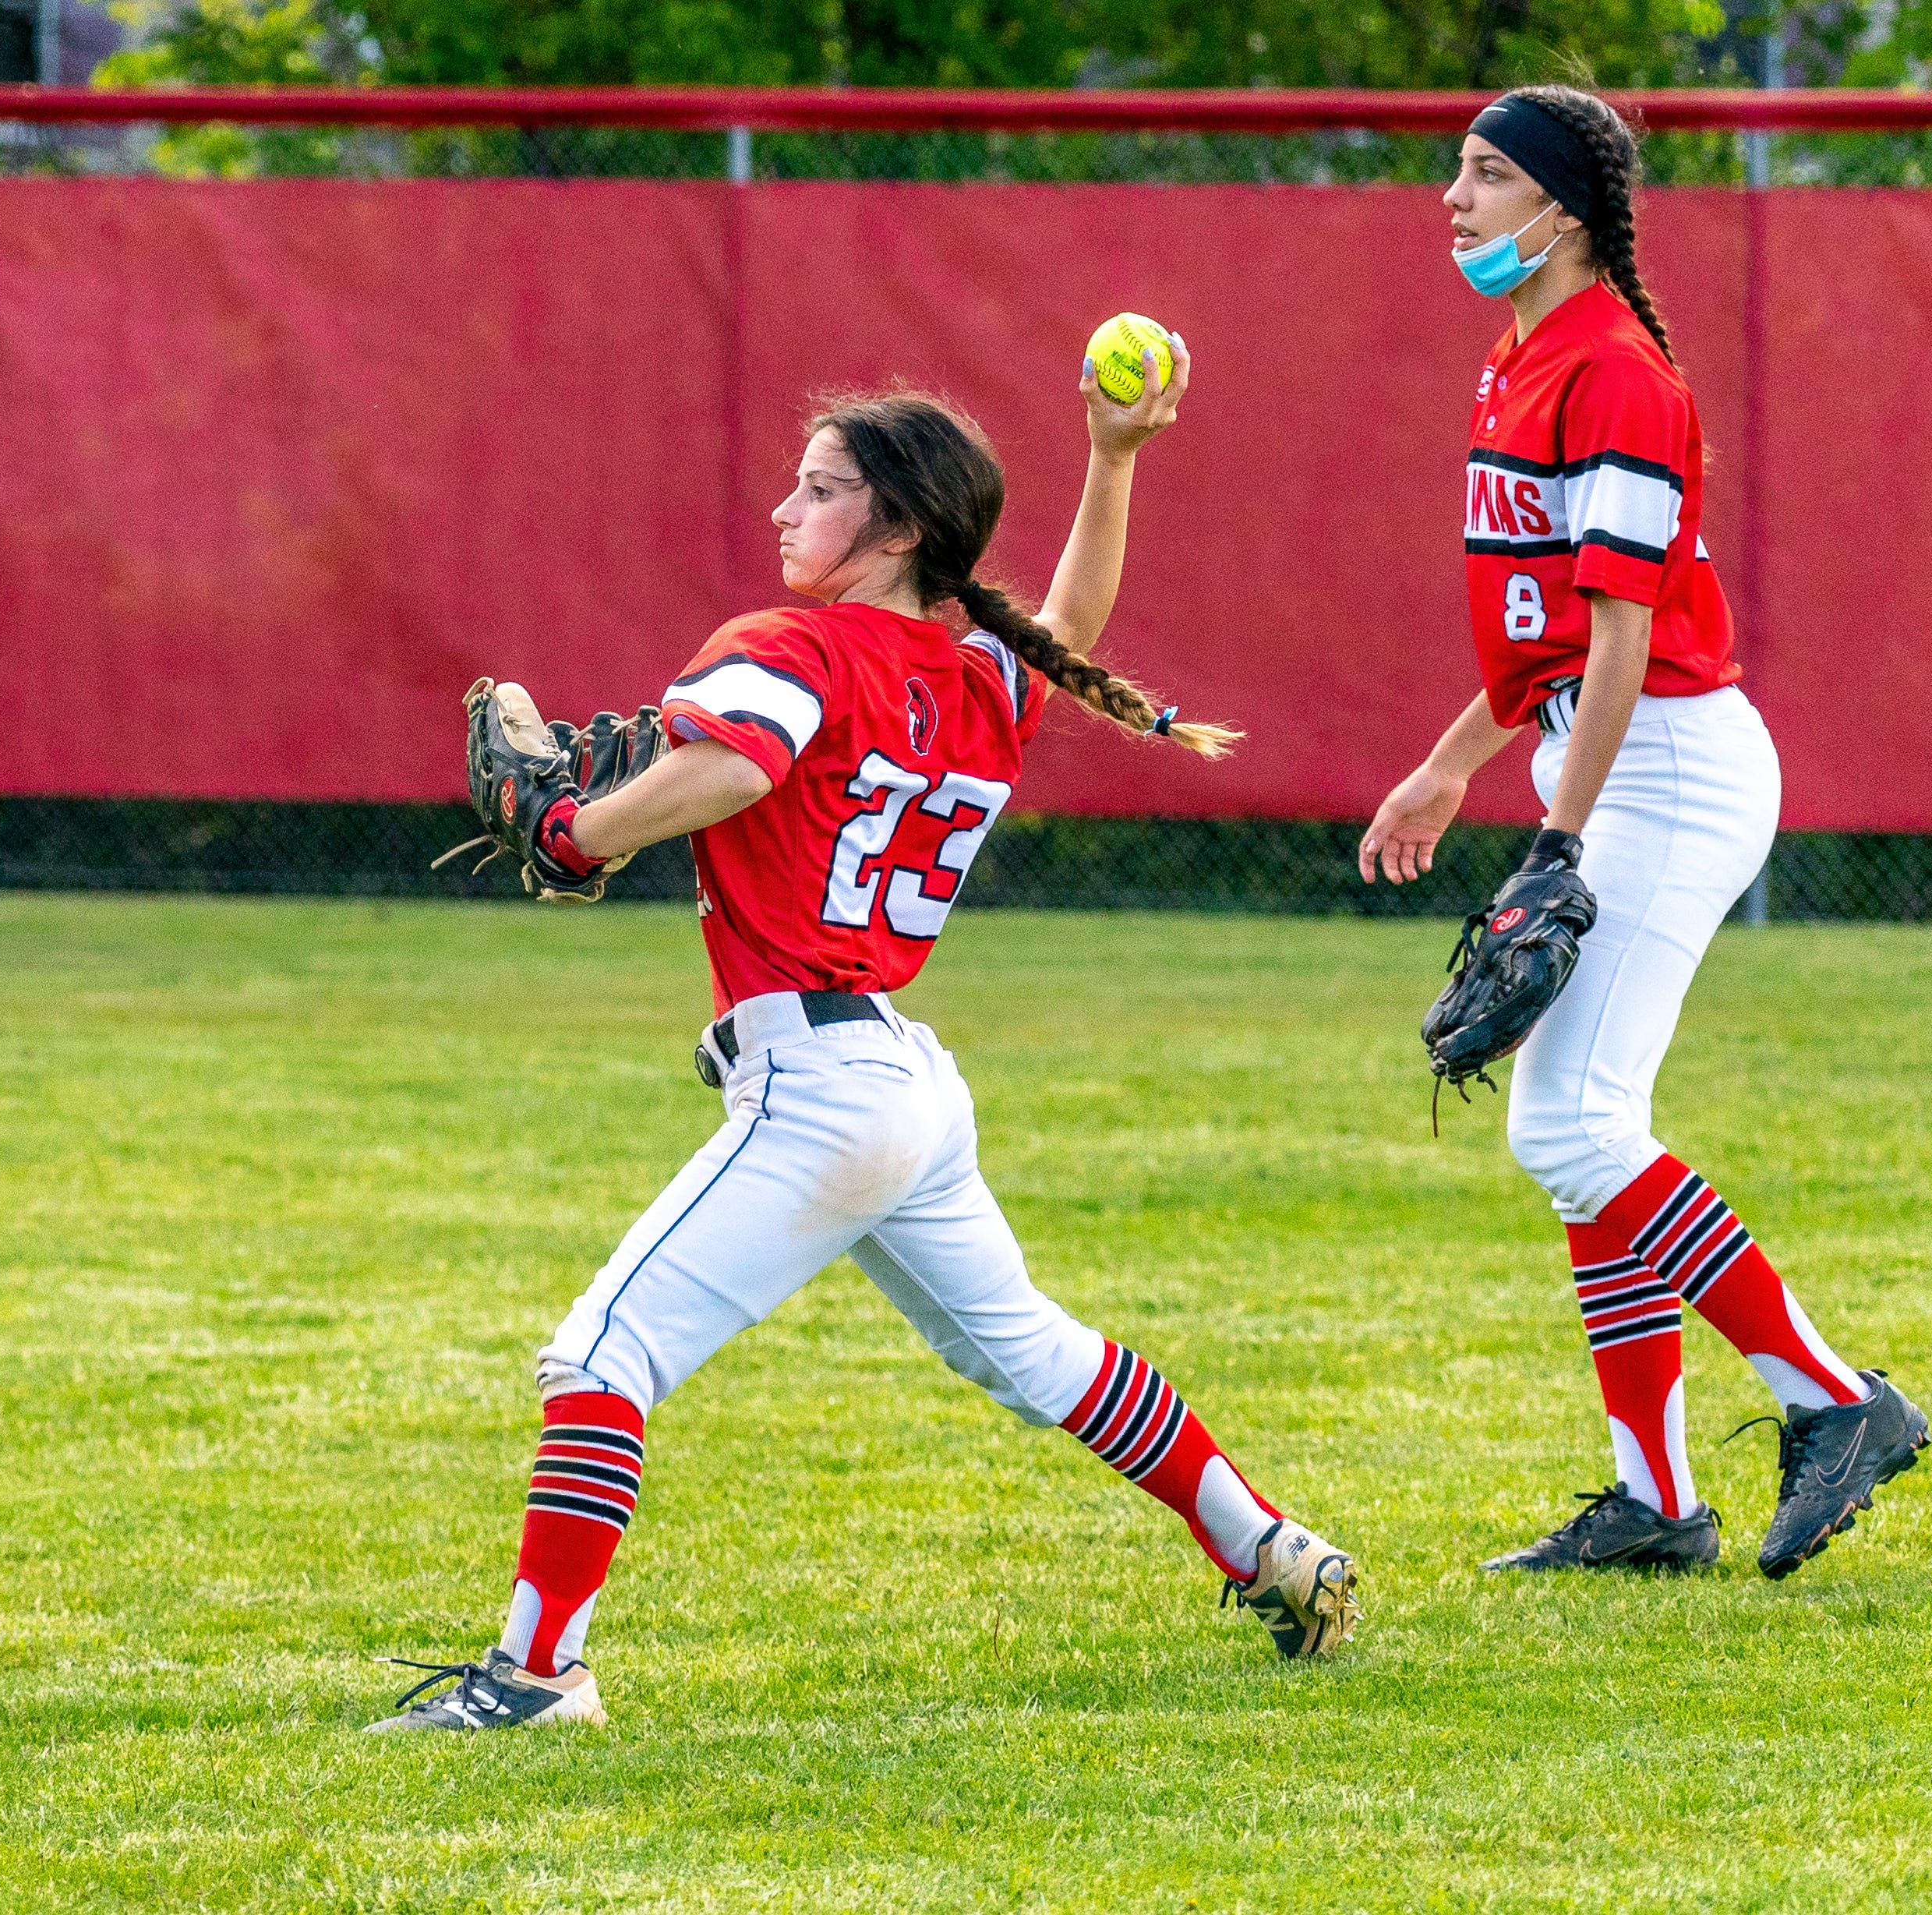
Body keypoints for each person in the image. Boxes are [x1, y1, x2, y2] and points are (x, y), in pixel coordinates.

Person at [368, 348, 1362, 1733]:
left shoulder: (798, 648)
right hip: (900, 1078)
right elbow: (1064, 622)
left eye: (822, 488)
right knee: (1032, 1352)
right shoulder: (975, 676)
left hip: (819, 1083)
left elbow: (734, 764)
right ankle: (1264, 1542)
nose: (785, 508)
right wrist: (1114, 457)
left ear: (896, 531)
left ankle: (533, 1679)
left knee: (601, 1356)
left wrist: (570, 830)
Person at [1358, 86, 1929, 1579]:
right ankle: (1655, 1501)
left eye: (1484, 175)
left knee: (1570, 1122)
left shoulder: (1609, 372)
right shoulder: (1520, 359)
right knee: (1574, 1134)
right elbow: (1550, 646)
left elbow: (1620, 644)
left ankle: (1831, 1399)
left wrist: (1553, 837)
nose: (1452, 199)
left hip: (1664, 766)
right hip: (1613, 752)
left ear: (1560, 207)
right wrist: (1441, 769)